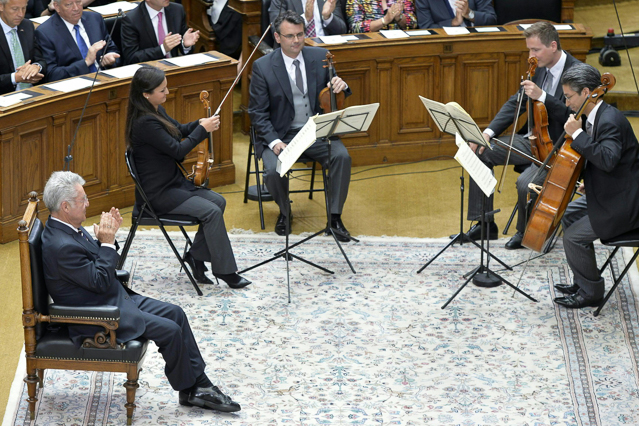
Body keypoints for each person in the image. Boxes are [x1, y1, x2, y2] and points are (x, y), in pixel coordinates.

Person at [41, 171, 242, 412]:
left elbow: (95, 267)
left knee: (176, 313)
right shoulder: (60, 245)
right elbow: (100, 280)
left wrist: (106, 241)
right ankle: (193, 389)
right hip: (99, 315)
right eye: (83, 200)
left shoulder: (67, 226)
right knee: (170, 331)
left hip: (111, 297)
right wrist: (106, 242)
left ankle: (197, 387)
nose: (88, 203)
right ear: (65, 206)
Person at [126, 65, 251, 288]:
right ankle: (226, 272)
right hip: (158, 193)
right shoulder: (144, 123)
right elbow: (178, 151)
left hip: (172, 183)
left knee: (218, 201)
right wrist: (203, 131)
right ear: (146, 93)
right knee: (211, 212)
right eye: (162, 90)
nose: (167, 93)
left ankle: (195, 255)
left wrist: (201, 123)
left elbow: (180, 130)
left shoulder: (155, 109)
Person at [461, 21, 579, 249]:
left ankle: (524, 232)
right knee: (478, 151)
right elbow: (516, 104)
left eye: (535, 50)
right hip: (532, 141)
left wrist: (543, 96)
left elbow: (574, 116)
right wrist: (486, 133)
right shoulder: (538, 68)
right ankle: (484, 224)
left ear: (553, 45)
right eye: (529, 50)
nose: (530, 56)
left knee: (525, 183)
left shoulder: (577, 72)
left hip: (560, 149)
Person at [248, 11, 353, 240]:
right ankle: (285, 212)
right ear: (277, 37)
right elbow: (257, 113)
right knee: (274, 169)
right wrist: (275, 143)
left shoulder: (320, 56)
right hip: (280, 134)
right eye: (289, 36)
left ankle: (335, 218)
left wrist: (341, 85)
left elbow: (336, 92)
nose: (296, 41)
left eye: (300, 34)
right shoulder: (263, 67)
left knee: (342, 157)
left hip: (315, 131)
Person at [553, 64, 639, 309]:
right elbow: (605, 161)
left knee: (572, 238)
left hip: (624, 204)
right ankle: (583, 280)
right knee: (567, 215)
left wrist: (578, 135)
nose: (567, 103)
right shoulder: (594, 116)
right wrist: (588, 182)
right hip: (610, 191)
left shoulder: (610, 120)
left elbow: (608, 160)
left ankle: (591, 293)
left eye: (569, 96)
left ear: (587, 92)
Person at [35, 0, 120, 83]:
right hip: (74, 86)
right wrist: (86, 62)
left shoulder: (95, 19)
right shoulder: (45, 32)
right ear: (57, 6)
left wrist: (110, 59)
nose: (76, 8)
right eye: (69, 4)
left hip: (106, 79)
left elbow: (113, 50)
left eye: (78, 2)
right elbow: (52, 75)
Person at [121, 0, 200, 65]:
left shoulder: (177, 10)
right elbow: (131, 57)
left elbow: (183, 47)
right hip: (148, 73)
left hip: (174, 68)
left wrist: (185, 45)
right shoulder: (131, 19)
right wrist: (163, 49)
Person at [0, 0, 46, 94]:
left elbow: (40, 59)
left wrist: (36, 67)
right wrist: (16, 77)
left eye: (24, 8)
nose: (21, 14)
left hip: (33, 91)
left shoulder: (27, 25)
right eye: (15, 9)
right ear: (1, 6)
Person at [269, 0, 347, 39]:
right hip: (295, 49)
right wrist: (305, 18)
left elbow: (342, 31)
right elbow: (276, 30)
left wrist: (328, 17)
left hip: (326, 50)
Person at [416, 0, 496, 29]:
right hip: (445, 45)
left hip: (477, 42)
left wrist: (470, 14)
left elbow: (492, 19)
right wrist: (453, 23)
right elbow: (425, 28)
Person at [346, 0, 416, 33]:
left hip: (399, 43)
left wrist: (399, 18)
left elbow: (413, 23)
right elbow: (355, 28)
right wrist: (384, 20)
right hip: (370, 45)